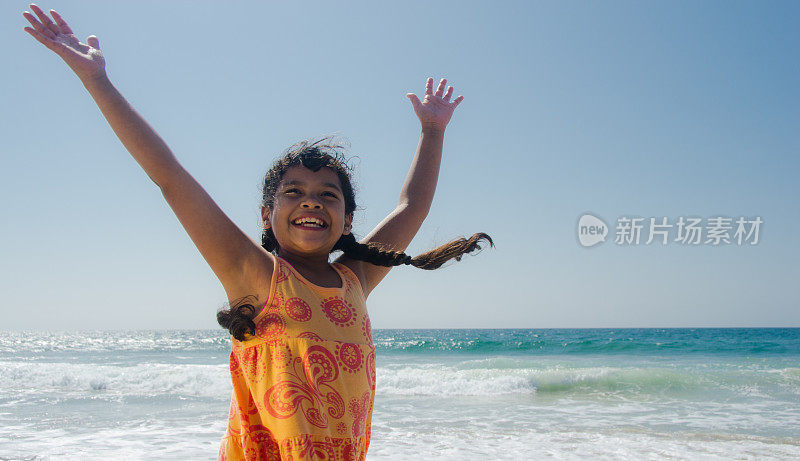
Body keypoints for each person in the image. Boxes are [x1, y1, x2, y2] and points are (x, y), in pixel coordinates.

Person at [23, 4, 493, 460]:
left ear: (348, 221)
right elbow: (169, 177)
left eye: (328, 195)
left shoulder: (356, 281)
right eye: (294, 192)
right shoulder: (256, 276)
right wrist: (96, 80)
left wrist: (433, 129)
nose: (311, 200)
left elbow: (412, 206)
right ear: (268, 214)